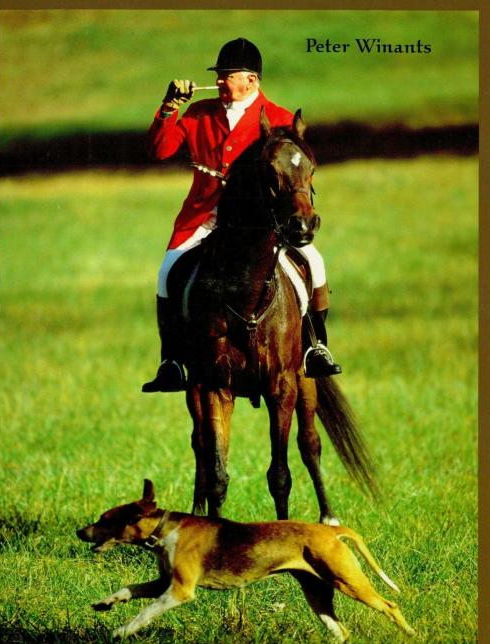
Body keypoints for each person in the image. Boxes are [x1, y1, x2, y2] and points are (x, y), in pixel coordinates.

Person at [142, 38, 342, 393]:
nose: (220, 81)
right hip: (203, 218)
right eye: (218, 76)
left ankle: (316, 348)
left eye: (227, 75)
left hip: (260, 226)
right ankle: (170, 361)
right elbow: (160, 150)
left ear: (251, 80)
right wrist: (168, 107)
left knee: (316, 263)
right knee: (166, 271)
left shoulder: (279, 119)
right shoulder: (199, 113)